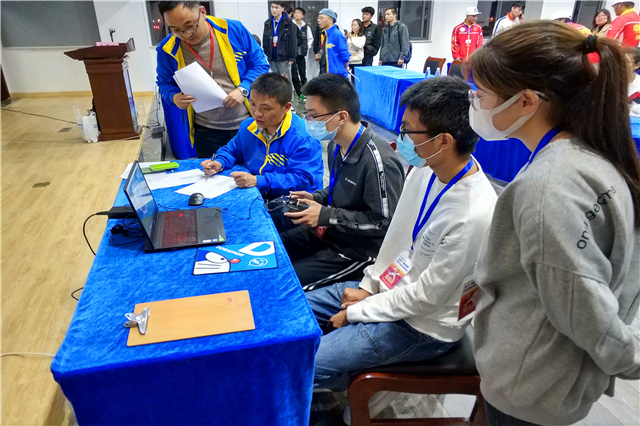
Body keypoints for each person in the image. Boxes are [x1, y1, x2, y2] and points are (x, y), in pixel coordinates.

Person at [469, 21, 640, 426]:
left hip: (534, 382)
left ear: (526, 101)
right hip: (549, 372)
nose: (475, 105)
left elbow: (585, 310)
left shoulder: (549, 187)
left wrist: (629, 358)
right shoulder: (586, 155)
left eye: (481, 95)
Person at [306, 77, 497, 424]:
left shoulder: (474, 212)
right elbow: (396, 239)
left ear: (443, 140)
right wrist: (369, 286)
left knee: (308, 363)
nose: (401, 138)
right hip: (390, 291)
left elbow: (427, 297)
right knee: (298, 310)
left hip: (423, 325)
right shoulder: (425, 170)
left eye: (409, 131)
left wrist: (359, 311)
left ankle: (351, 394)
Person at [280, 74, 405, 290]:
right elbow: (340, 187)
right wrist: (317, 197)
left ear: (341, 116)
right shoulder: (336, 144)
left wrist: (326, 215)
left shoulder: (379, 161)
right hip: (331, 230)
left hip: (357, 251)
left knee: (286, 284)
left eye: (313, 115)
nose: (308, 122)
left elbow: (383, 222)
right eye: (307, 114)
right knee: (274, 250)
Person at [156, 1, 269, 159]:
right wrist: (174, 96)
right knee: (213, 172)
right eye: (176, 30)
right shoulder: (167, 49)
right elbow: (164, 83)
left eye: (190, 26)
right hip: (206, 131)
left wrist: (243, 89)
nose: (186, 34)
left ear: (202, 12)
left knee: (254, 170)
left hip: (248, 123)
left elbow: (260, 64)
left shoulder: (233, 30)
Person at [200, 73, 323, 198]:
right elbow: (232, 150)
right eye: (253, 104)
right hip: (259, 193)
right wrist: (220, 162)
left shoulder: (304, 137)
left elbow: (303, 179)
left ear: (286, 107)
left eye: (266, 108)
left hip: (294, 201)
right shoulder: (249, 126)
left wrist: (258, 181)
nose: (257, 113)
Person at [262, 2, 298, 100]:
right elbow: (265, 41)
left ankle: (289, 101)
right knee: (274, 81)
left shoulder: (289, 24)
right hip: (271, 57)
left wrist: (292, 57)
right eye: (272, 7)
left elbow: (293, 41)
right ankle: (276, 101)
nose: (274, 10)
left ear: (282, 9)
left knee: (286, 80)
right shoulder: (268, 23)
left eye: (276, 8)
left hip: (284, 57)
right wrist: (265, 55)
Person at [317, 8, 351, 78]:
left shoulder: (337, 34)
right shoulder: (324, 34)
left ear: (330, 20)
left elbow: (344, 54)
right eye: (318, 18)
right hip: (325, 71)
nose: (318, 20)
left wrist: (345, 66)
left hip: (336, 74)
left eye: (321, 18)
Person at [291, 7, 314, 102]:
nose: (297, 14)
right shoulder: (290, 26)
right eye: (295, 13)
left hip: (302, 54)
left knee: (302, 73)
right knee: (294, 75)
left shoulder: (306, 27)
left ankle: (305, 93)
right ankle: (298, 93)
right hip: (292, 54)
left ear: (303, 15)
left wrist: (306, 47)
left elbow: (310, 39)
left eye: (299, 13)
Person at [626, 47, 640, 116]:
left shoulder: (638, 87)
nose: (620, 65)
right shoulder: (609, 82)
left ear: (637, 65)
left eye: (626, 62)